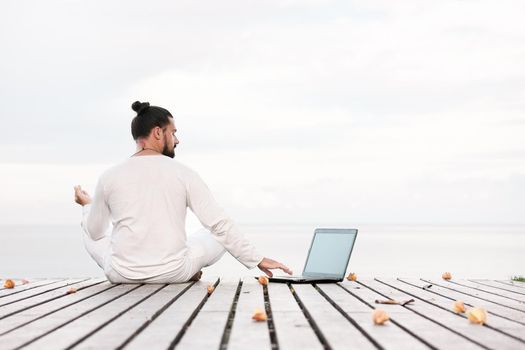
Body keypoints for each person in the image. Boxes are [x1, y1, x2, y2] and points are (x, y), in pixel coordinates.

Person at [73, 101, 292, 283]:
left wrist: (87, 207)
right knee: (216, 232)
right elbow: (220, 225)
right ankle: (185, 264)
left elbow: (95, 232)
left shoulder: (109, 176)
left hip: (122, 274)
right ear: (158, 132)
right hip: (174, 272)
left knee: (88, 226)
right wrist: (258, 259)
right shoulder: (184, 173)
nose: (177, 140)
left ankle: (86, 206)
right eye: (173, 133)